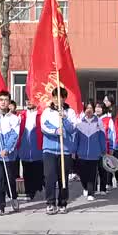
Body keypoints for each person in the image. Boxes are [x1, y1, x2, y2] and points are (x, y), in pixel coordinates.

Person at [41, 87, 78, 215]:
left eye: (60, 97)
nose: (57, 99)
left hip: (64, 150)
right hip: (49, 150)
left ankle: (63, 203)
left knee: (63, 178)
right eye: (55, 97)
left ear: (64, 98)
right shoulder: (47, 111)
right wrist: (56, 131)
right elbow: (44, 126)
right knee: (50, 177)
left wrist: (65, 119)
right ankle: (50, 203)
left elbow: (73, 128)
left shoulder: (70, 112)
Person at [72, 101, 106, 201]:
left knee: (92, 173)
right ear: (84, 110)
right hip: (81, 153)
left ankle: (91, 193)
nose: (89, 110)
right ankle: (86, 187)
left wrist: (103, 149)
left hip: (94, 153)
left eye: (91, 108)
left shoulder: (98, 121)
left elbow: (102, 137)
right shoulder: (79, 122)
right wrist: (74, 151)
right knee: (82, 174)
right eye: (87, 108)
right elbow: (76, 138)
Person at [17, 98, 44, 201]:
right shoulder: (21, 115)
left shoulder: (40, 115)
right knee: (27, 171)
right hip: (24, 149)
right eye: (27, 100)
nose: (29, 102)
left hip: (37, 148)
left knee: (38, 170)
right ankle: (29, 192)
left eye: (31, 100)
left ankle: (38, 187)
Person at [95, 102, 115, 194]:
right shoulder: (92, 118)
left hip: (104, 147)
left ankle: (103, 188)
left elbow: (112, 134)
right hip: (93, 148)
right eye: (96, 107)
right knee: (93, 169)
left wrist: (111, 147)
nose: (97, 109)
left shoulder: (108, 120)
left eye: (100, 107)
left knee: (103, 168)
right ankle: (94, 188)